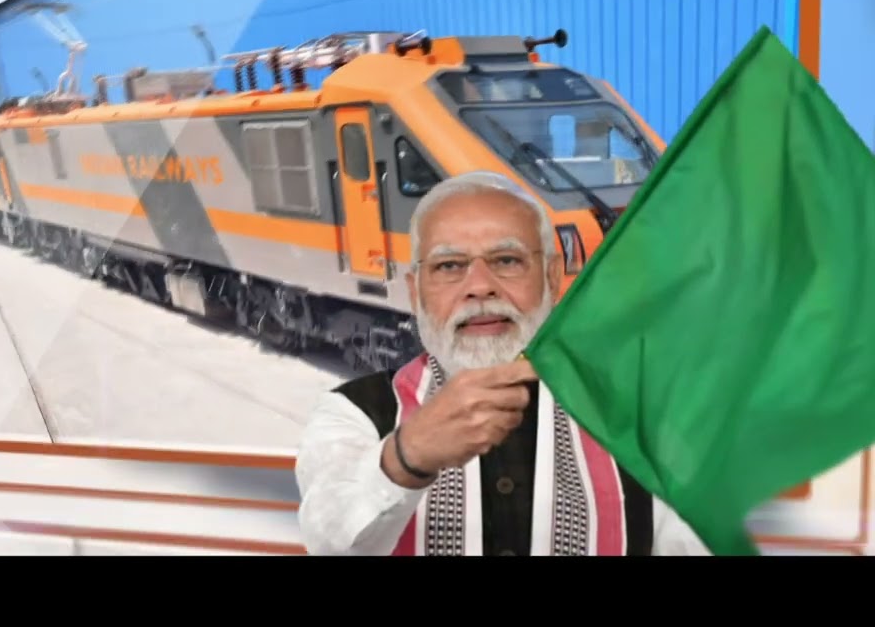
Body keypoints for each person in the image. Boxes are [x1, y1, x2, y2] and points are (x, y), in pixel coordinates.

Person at [294, 170, 710, 556]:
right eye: (449, 266)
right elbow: (328, 542)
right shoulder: (353, 412)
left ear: (551, 278)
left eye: (507, 261)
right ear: (416, 293)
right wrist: (406, 457)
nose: (479, 287)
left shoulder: (640, 416)